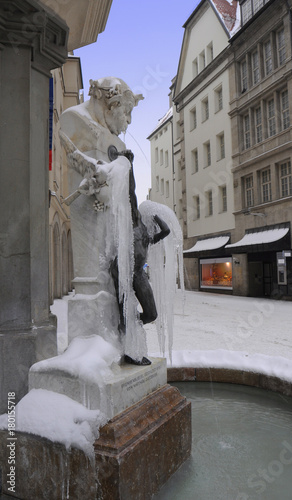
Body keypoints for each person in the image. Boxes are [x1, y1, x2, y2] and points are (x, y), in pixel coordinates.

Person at [60, 77, 170, 365]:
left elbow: (125, 194)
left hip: (121, 256)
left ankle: (127, 341)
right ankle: (119, 344)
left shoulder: (115, 148)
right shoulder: (75, 120)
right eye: (127, 112)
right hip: (109, 265)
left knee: (132, 303)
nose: (128, 121)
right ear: (113, 103)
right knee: (127, 301)